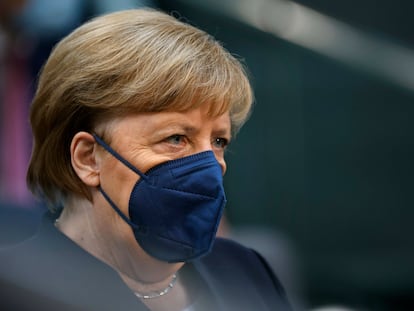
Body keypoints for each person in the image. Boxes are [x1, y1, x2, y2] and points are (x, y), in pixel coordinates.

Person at [0, 8, 292, 311]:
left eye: (219, 141)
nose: (208, 166)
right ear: (88, 158)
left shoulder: (246, 272)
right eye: (176, 138)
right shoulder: (15, 290)